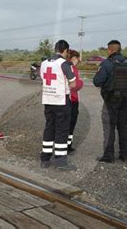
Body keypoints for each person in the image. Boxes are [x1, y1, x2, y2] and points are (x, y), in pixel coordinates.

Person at [93, 40, 127, 163]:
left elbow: (97, 81)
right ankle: (124, 154)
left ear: (110, 50)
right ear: (119, 49)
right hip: (125, 101)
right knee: (123, 127)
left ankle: (109, 155)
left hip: (110, 101)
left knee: (109, 127)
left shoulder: (107, 63)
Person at [40, 40, 77, 170]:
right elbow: (73, 84)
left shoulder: (44, 63)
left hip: (47, 101)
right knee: (62, 130)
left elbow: (43, 79)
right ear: (65, 50)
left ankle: (45, 159)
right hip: (61, 101)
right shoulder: (65, 64)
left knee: (49, 128)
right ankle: (60, 161)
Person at [67, 50, 84, 153]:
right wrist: (81, 82)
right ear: (75, 58)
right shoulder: (73, 68)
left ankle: (63, 144)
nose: (79, 61)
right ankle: (68, 145)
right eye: (78, 59)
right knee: (71, 123)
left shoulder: (63, 66)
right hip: (72, 99)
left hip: (64, 99)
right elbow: (76, 85)